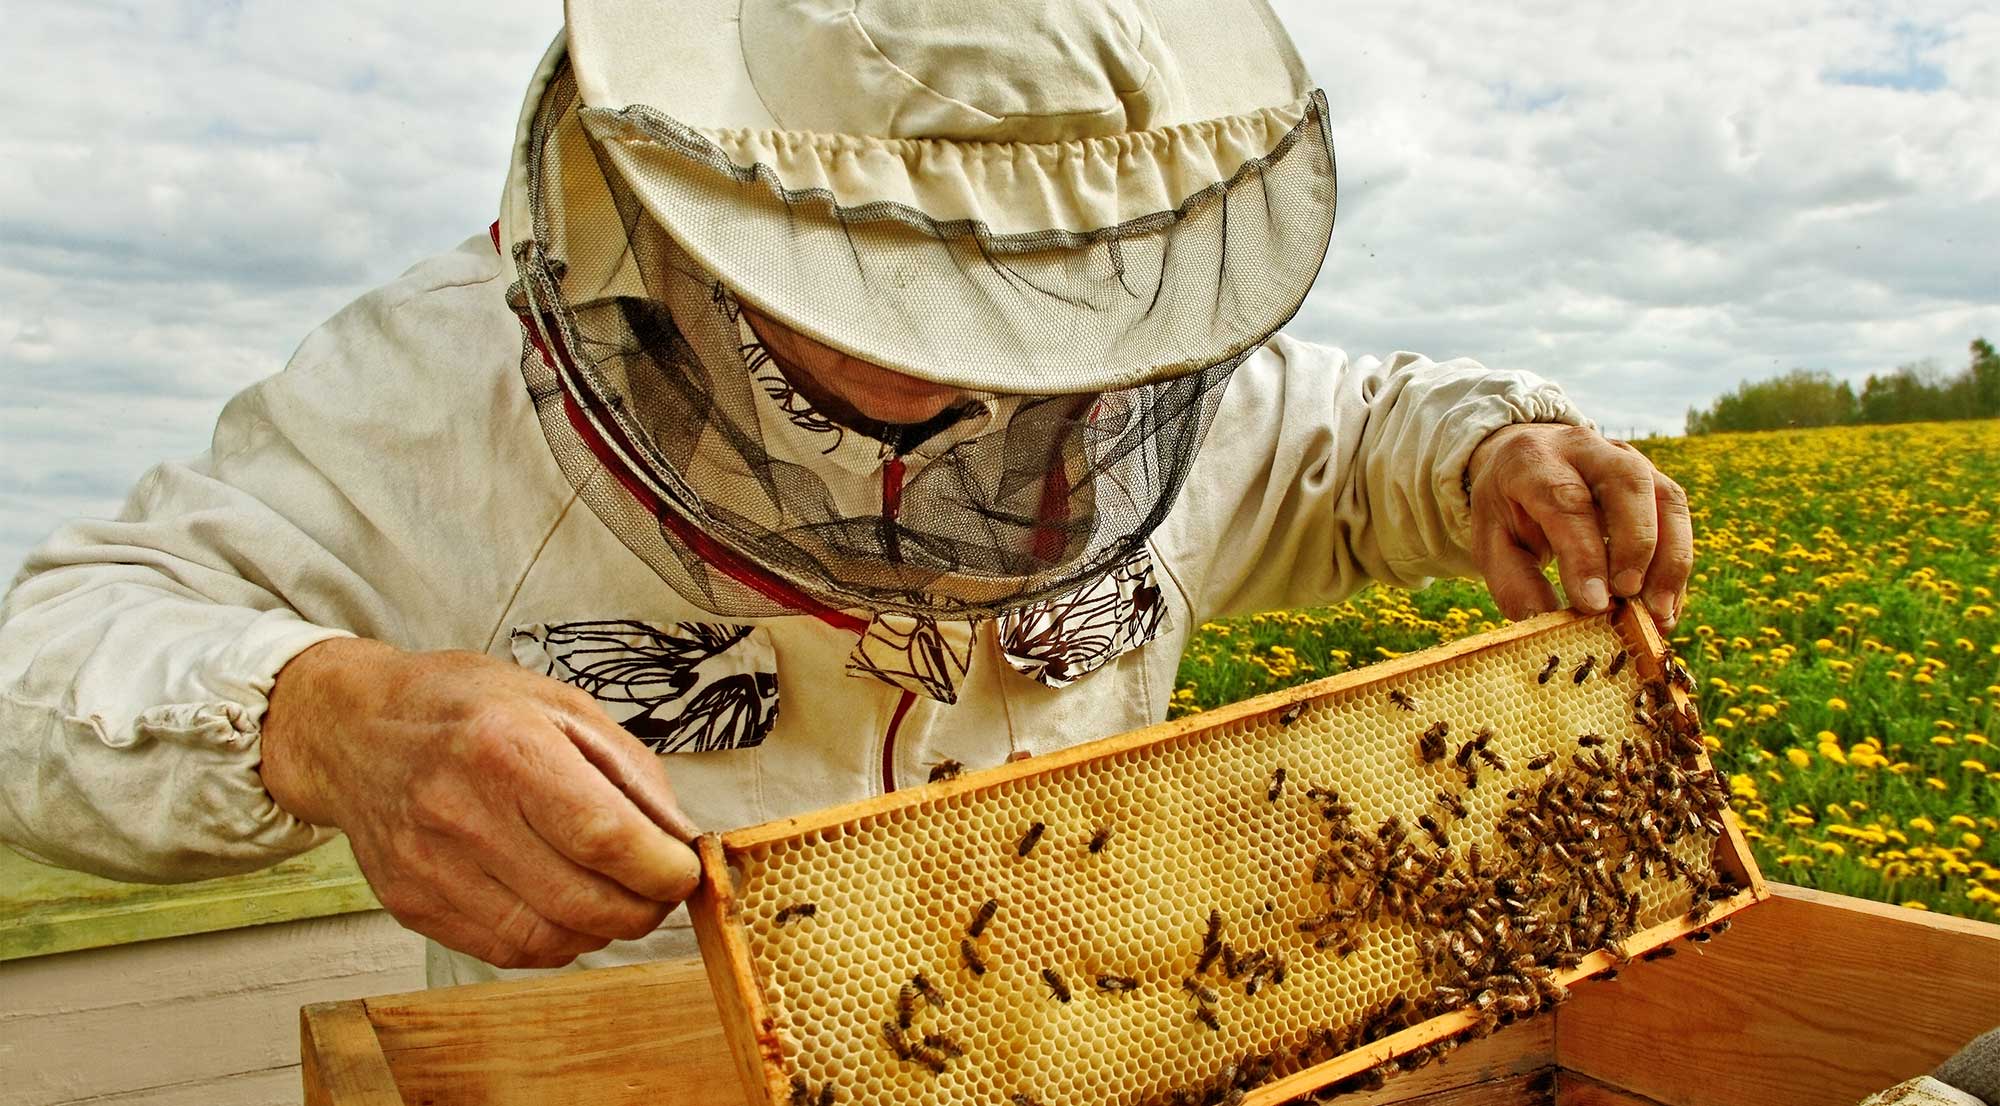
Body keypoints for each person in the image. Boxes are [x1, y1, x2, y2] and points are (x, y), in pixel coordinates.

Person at [0, 0, 1690, 988]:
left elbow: (1348, 434)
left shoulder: (1131, 382)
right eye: (892, 290)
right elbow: (47, 655)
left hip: (1100, 1035)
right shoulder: (431, 384)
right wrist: (326, 713)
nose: (984, 380)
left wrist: (1496, 448)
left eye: (1036, 298)